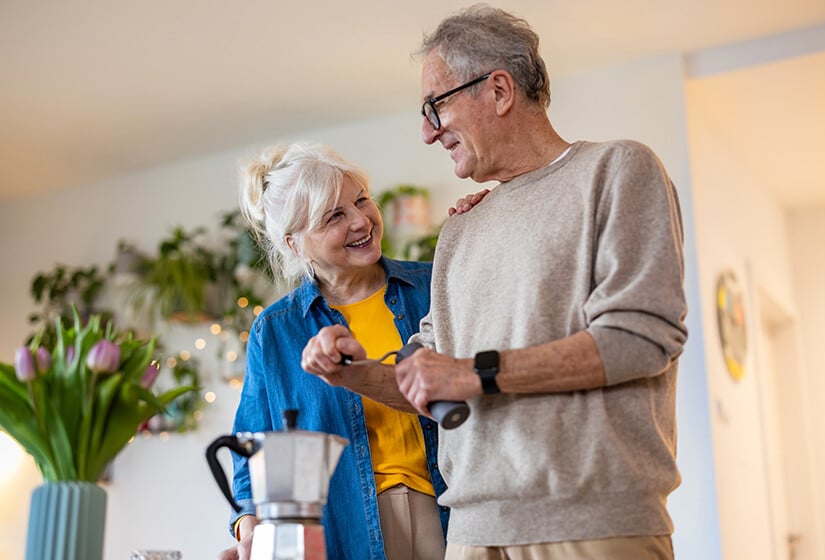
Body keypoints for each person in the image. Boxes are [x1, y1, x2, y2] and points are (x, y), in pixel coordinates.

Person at [301, 4, 688, 560]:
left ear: (500, 90)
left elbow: (640, 341)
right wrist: (354, 373)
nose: (428, 133)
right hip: (472, 534)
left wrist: (472, 372)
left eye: (435, 107)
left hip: (593, 522)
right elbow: (431, 382)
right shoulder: (461, 228)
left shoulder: (619, 170)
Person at [218, 141, 451, 560]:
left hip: (450, 514)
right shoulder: (275, 331)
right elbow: (252, 448)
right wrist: (248, 525)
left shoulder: (435, 287)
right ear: (295, 244)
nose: (361, 221)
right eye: (335, 216)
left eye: (362, 200)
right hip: (346, 531)